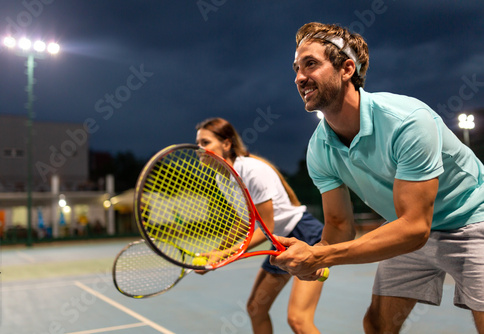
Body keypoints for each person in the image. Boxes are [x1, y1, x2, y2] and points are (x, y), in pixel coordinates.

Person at [270, 21, 484, 333]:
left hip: (473, 222)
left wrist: (320, 254)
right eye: (296, 68)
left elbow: (414, 228)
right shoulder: (319, 148)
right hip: (411, 230)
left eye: (311, 64)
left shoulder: (408, 121)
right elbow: (340, 225)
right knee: (378, 324)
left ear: (346, 69)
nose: (299, 77)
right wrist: (314, 259)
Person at [196, 117, 325, 334]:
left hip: (303, 235)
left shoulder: (252, 170)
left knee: (298, 320)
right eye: (198, 143)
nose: (199, 149)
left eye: (205, 143)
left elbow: (267, 226)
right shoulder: (223, 177)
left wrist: (229, 253)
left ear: (226, 144)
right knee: (256, 308)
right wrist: (218, 251)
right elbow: (244, 222)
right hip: (279, 241)